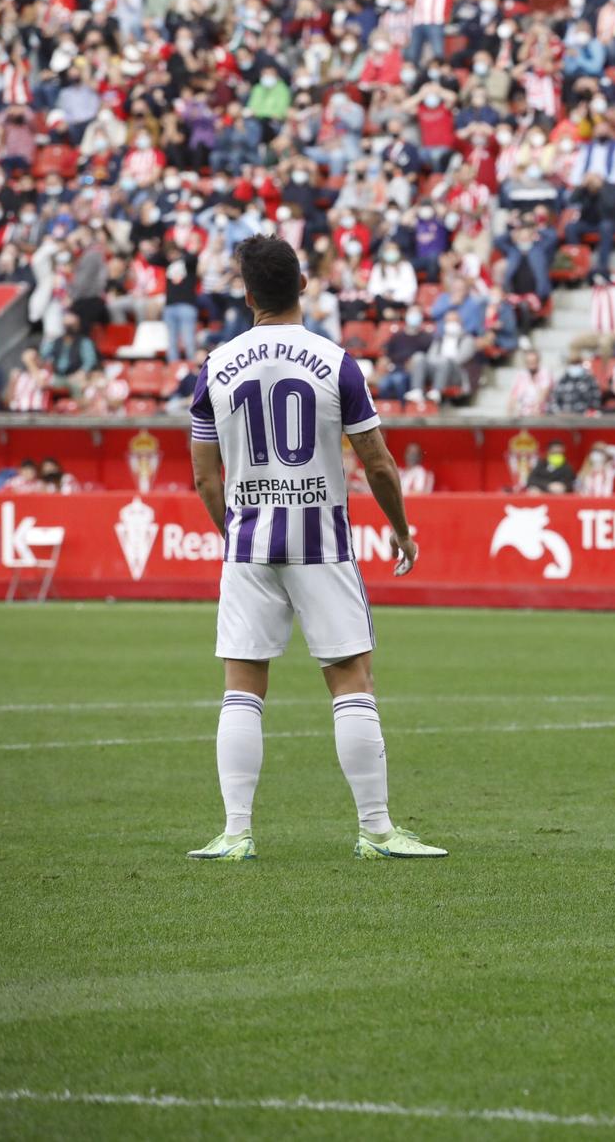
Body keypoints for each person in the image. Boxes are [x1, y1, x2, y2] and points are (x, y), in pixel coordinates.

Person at [184, 235, 442, 862]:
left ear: (247, 296)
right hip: (321, 540)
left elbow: (203, 476)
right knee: (351, 682)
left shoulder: (216, 366)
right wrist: (401, 529)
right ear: (303, 285)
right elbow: (378, 464)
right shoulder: (336, 363)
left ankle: (237, 832)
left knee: (242, 686)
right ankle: (376, 831)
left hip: (249, 544)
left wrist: (234, 529)